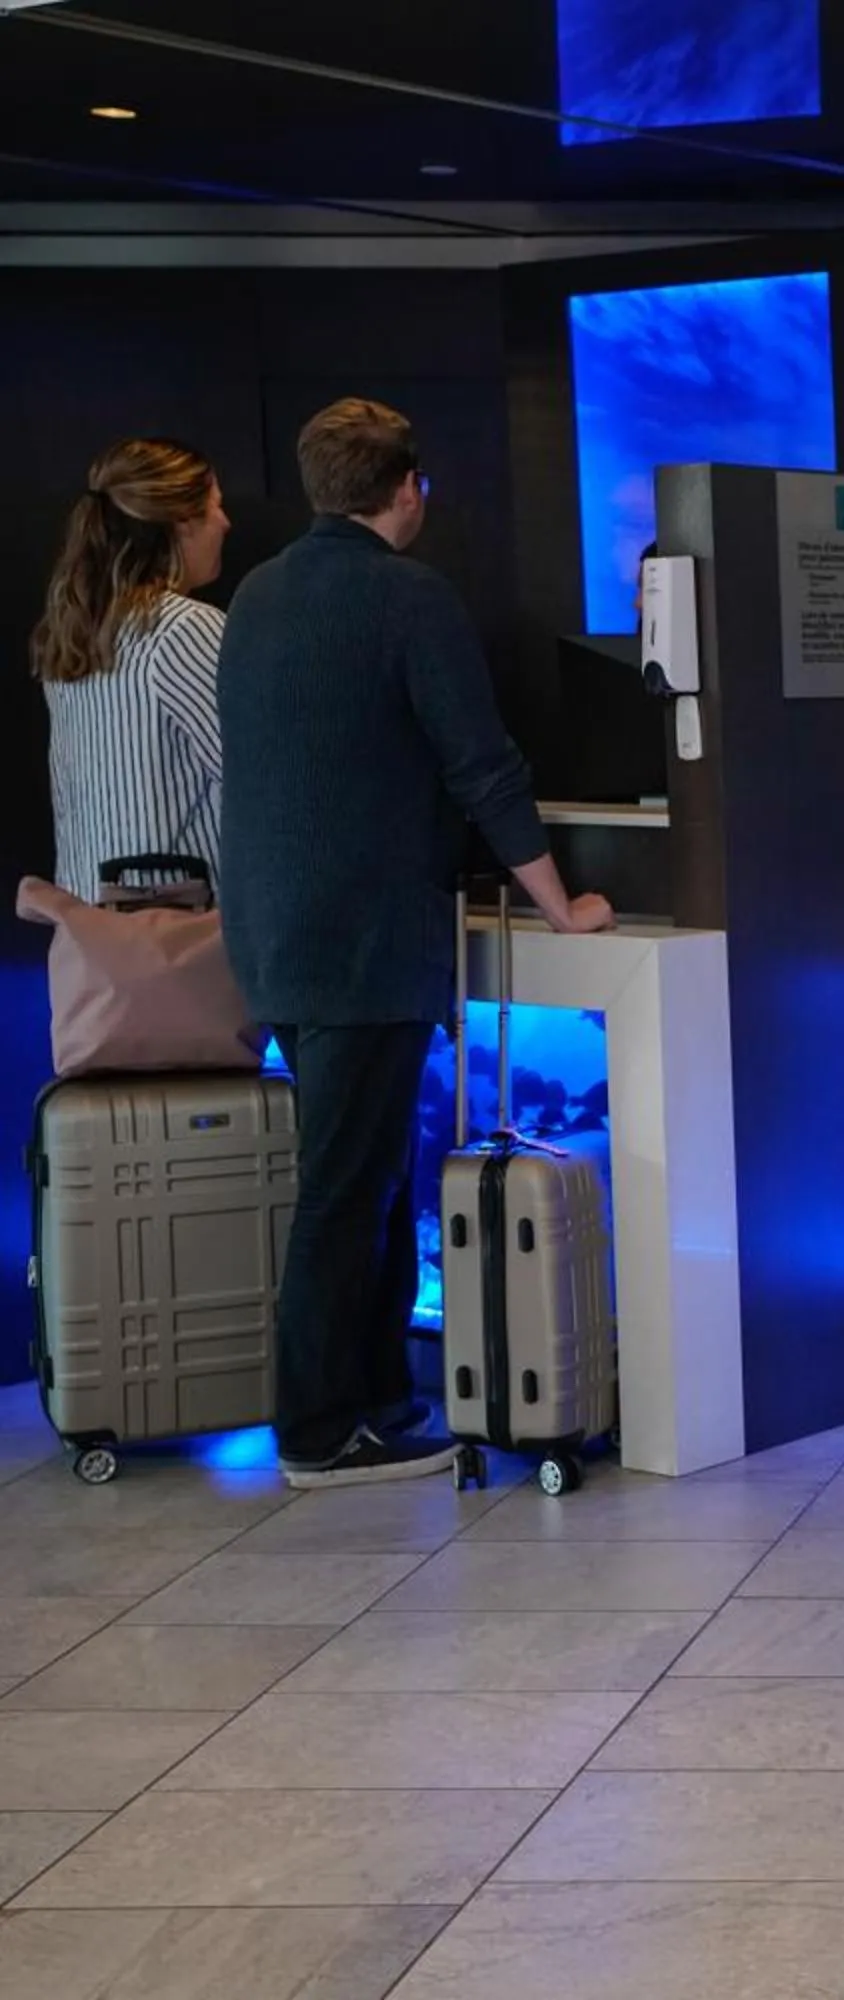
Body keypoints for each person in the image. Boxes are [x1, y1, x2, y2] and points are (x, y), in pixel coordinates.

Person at [220, 398, 614, 1489]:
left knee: (364, 1178)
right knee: (347, 1191)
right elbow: (482, 765)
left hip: (273, 938)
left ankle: (381, 1401)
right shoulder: (408, 597)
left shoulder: (255, 593)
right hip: (362, 945)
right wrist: (558, 903)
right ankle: (319, 1428)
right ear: (407, 489)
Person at [29, 439, 233, 897]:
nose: (226, 522)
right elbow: (257, 775)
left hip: (88, 928)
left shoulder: (72, 633)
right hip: (176, 933)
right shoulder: (187, 629)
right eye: (216, 506)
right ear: (181, 523)